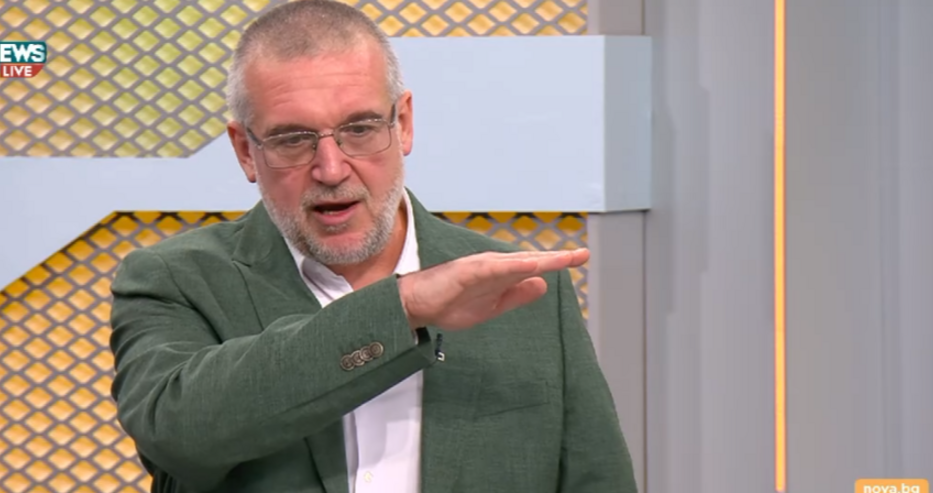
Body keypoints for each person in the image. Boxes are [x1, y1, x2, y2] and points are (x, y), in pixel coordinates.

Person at [108, 1, 637, 492]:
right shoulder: (175, 279)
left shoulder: (526, 289)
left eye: (360, 129)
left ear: (402, 123)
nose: (331, 168)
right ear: (246, 151)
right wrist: (402, 308)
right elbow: (177, 434)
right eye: (293, 139)